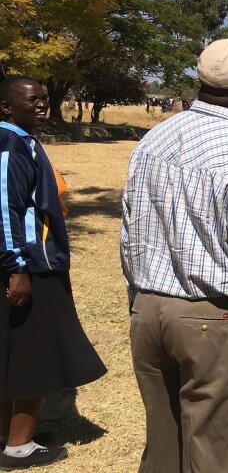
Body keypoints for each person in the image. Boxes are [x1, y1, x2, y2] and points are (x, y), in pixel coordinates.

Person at [120, 39, 228, 473]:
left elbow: (130, 234)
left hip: (149, 312)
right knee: (215, 459)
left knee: (162, 453)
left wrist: (140, 303)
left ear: (200, 81)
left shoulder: (154, 140)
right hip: (211, 324)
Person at [0, 76, 107, 470]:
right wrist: (16, 269)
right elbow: (4, 210)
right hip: (31, 266)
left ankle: (6, 434)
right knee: (33, 354)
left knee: (12, 351)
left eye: (44, 98)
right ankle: (19, 448)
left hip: (31, 263)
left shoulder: (22, 140)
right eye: (32, 100)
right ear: (6, 107)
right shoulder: (10, 145)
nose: (42, 105)